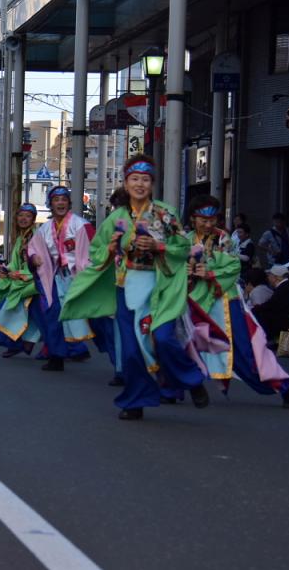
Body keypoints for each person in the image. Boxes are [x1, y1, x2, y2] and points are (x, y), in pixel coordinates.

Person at [61, 155, 210, 420]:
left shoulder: (165, 214)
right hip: (125, 288)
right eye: (134, 179)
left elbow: (183, 247)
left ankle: (191, 379)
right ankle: (134, 402)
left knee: (163, 339)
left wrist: (158, 246)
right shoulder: (116, 218)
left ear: (152, 184)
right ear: (126, 183)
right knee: (130, 350)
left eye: (145, 179)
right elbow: (96, 252)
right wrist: (109, 248)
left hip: (159, 288)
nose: (140, 184)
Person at [184, 195, 289, 408]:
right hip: (194, 302)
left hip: (225, 301)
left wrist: (208, 272)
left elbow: (233, 267)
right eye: (202, 219)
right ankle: (175, 388)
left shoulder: (224, 240)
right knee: (181, 343)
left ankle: (284, 386)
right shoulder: (185, 240)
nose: (208, 224)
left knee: (247, 351)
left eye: (212, 220)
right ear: (192, 219)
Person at [28, 185, 95, 371]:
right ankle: (56, 356)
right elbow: (33, 249)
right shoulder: (44, 229)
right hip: (56, 277)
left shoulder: (81, 225)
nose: (60, 203)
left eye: (64, 199)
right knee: (52, 315)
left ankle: (119, 364)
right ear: (50, 204)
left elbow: (94, 251)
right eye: (56, 200)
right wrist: (34, 257)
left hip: (79, 277)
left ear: (69, 203)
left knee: (97, 320)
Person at [0, 204, 42, 357]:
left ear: (33, 219)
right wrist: (7, 270)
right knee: (37, 318)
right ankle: (22, 344)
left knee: (8, 310)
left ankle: (19, 344)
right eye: (21, 215)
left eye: (27, 216)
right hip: (24, 281)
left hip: (33, 281)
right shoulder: (22, 238)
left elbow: (39, 262)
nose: (23, 218)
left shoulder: (36, 237)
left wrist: (19, 274)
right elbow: (15, 262)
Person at [251, 264, 289, 340]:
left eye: (269, 275)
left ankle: (265, 340)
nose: (268, 278)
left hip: (286, 325)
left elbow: (271, 305)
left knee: (259, 315)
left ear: (276, 277)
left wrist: (255, 309)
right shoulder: (286, 286)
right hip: (288, 321)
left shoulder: (283, 288)